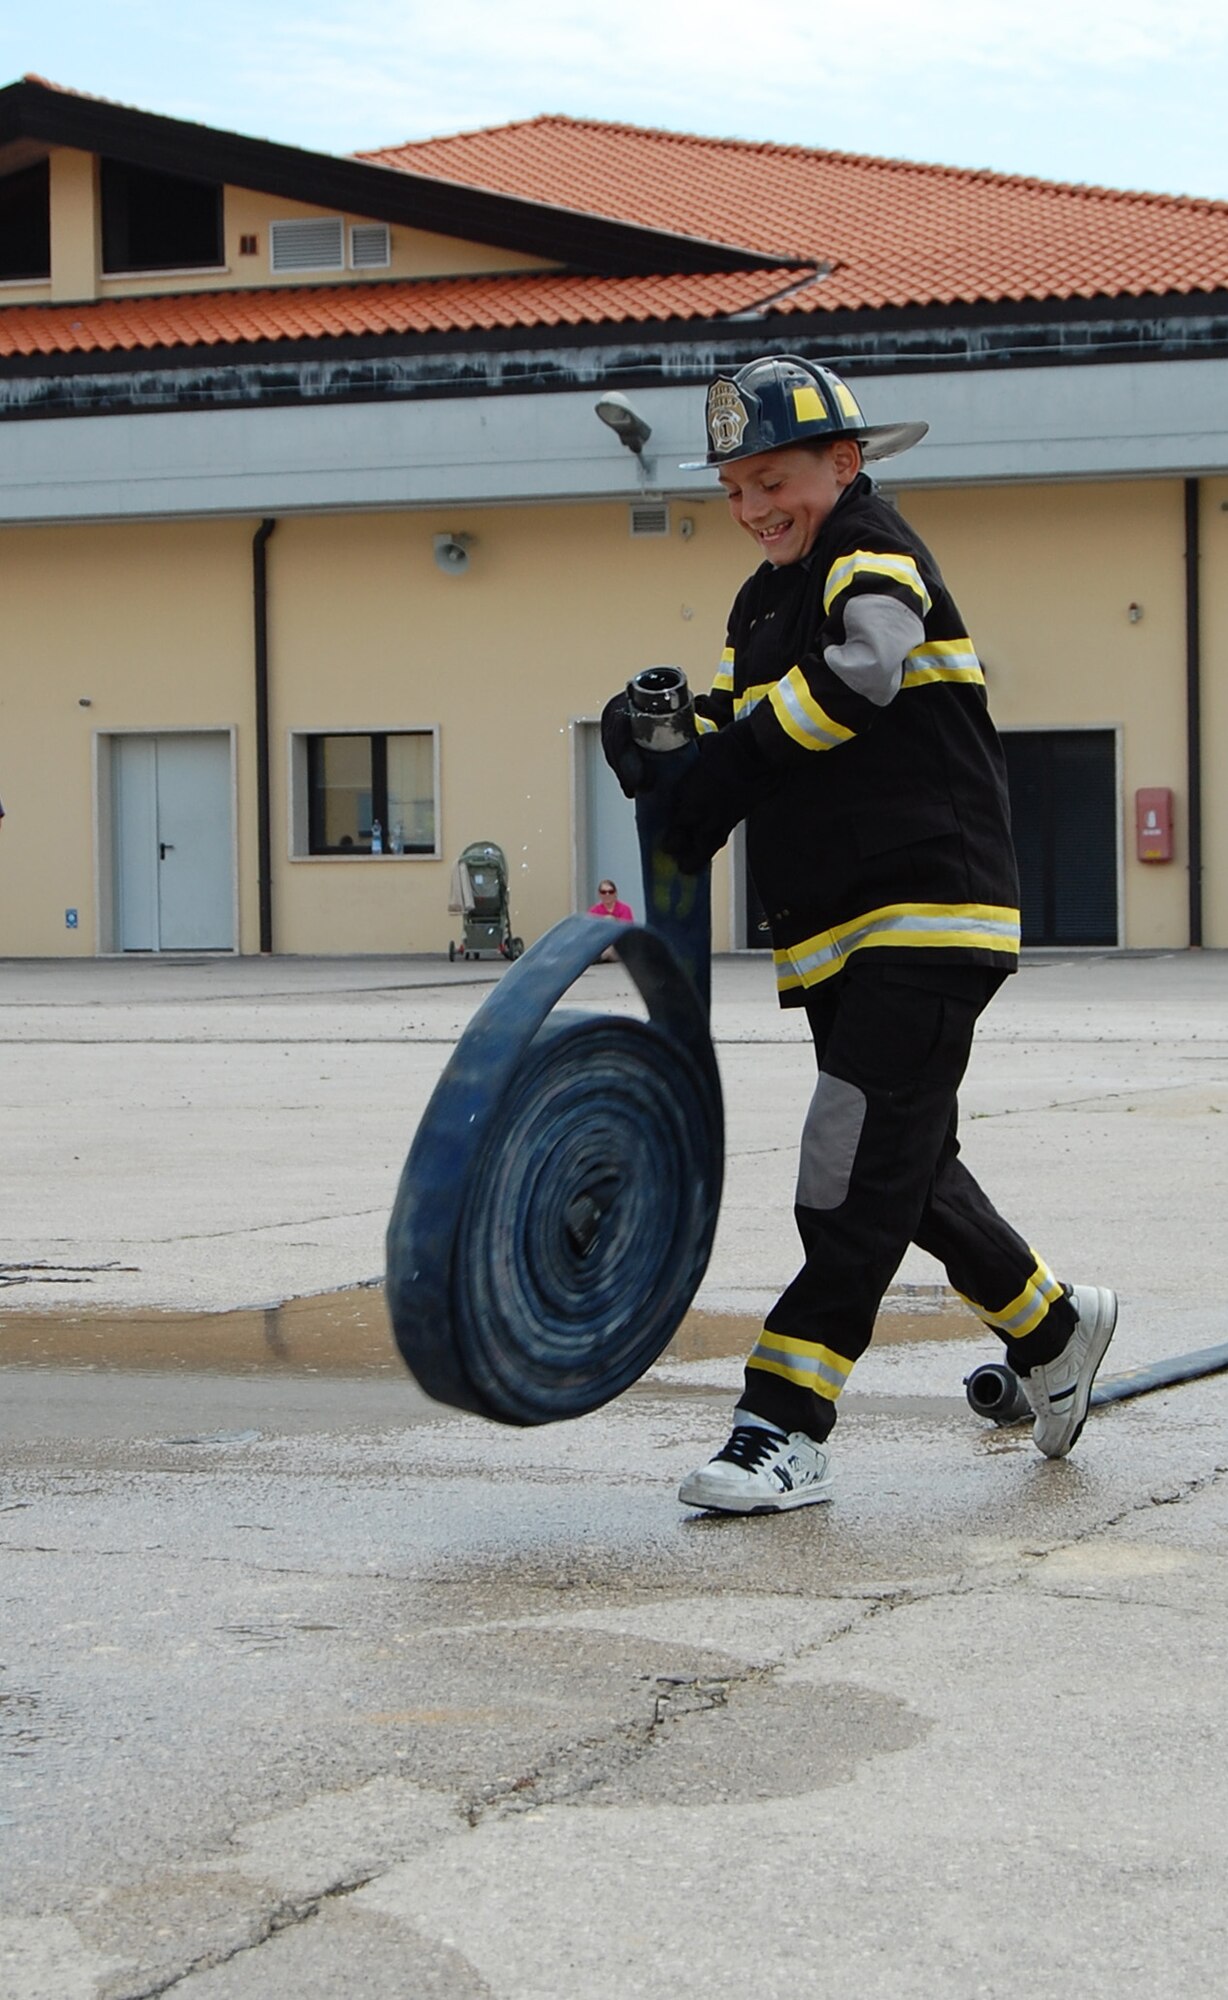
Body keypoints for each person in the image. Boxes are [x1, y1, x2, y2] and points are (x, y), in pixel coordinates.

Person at [602, 353, 1117, 1514]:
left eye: (772, 477)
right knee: (904, 1163)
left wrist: (720, 760)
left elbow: (862, 673)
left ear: (845, 463)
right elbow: (743, 733)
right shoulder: (757, 599)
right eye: (733, 488)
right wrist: (666, 757)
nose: (751, 508)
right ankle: (1053, 1329)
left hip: (925, 914)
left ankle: (783, 1425)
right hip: (838, 933)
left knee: (844, 1169)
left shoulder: (869, 546)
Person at [587, 878, 634, 960]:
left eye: (610, 892)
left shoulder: (625, 909)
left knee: (609, 920)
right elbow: (591, 933)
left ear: (615, 893)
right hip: (601, 944)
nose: (607, 894)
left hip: (618, 944)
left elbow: (626, 930)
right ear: (599, 894)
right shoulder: (593, 911)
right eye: (603, 892)